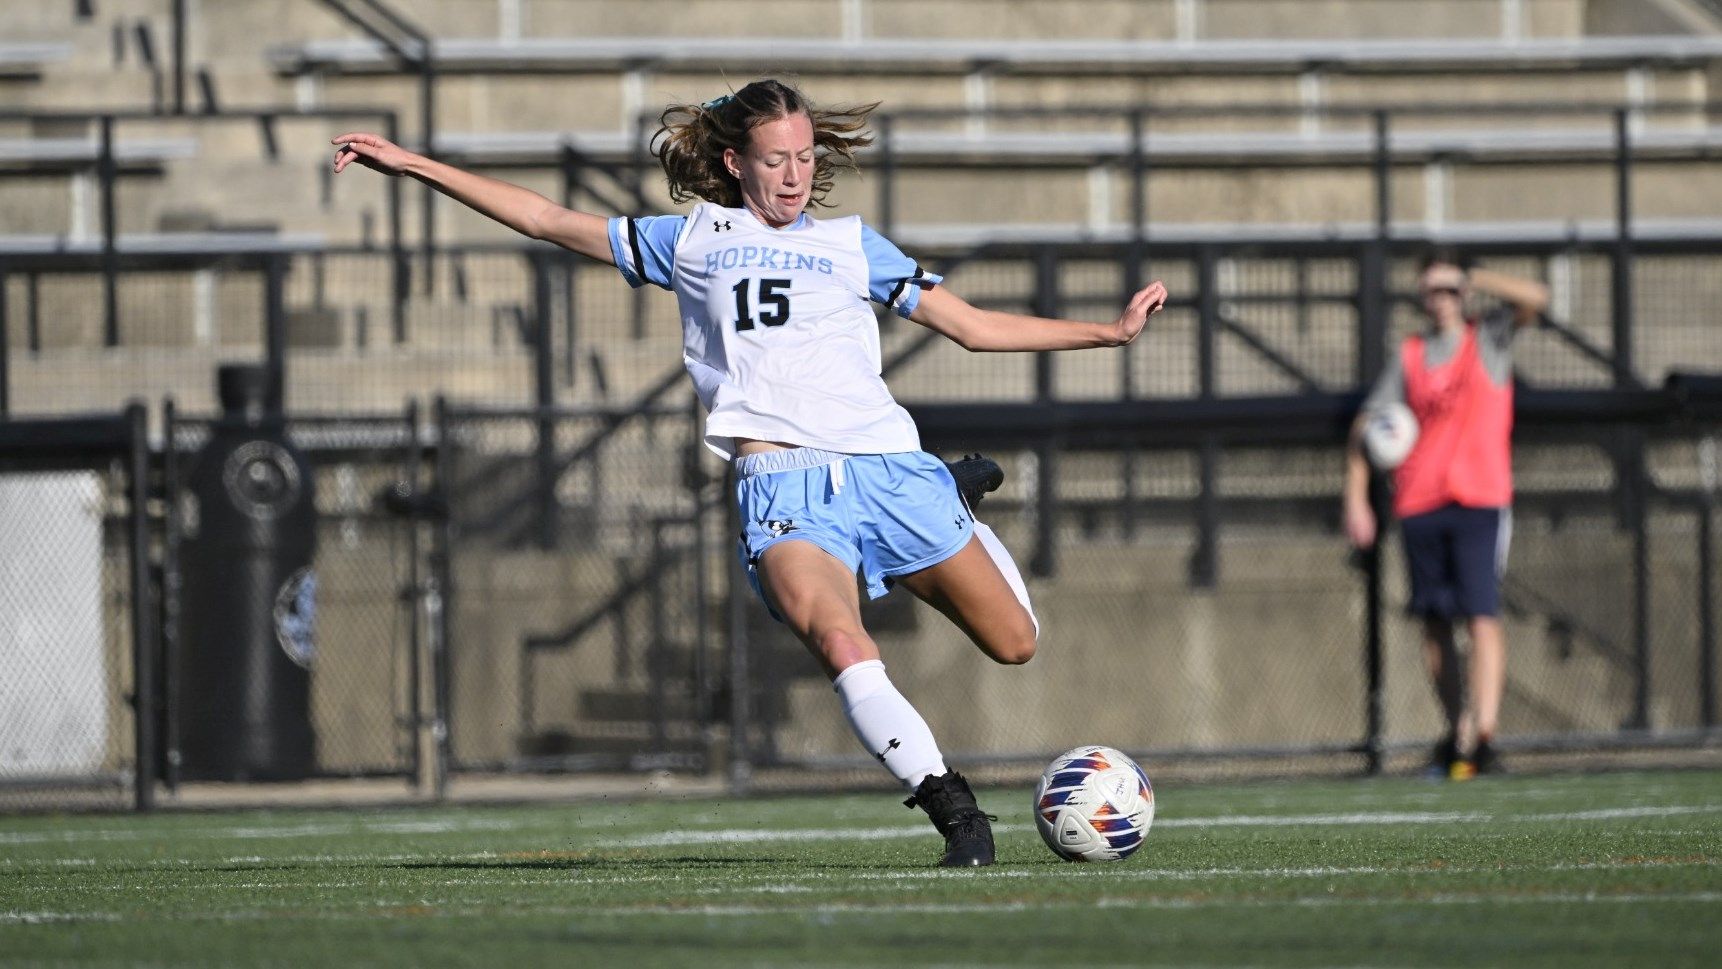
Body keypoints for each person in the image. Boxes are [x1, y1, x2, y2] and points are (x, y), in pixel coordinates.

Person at [332, 78, 1168, 865]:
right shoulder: (691, 239)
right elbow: (546, 218)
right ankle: (956, 812)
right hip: (785, 489)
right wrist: (413, 164)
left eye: (805, 157)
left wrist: (1108, 332)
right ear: (735, 162)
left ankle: (956, 500)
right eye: (777, 159)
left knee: (1016, 643)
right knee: (841, 641)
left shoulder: (851, 245)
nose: (796, 175)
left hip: (892, 472)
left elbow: (974, 328)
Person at [1343, 248, 1548, 781]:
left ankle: (1485, 736)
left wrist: (1474, 276)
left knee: (1481, 616)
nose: (1441, 299)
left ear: (1464, 292)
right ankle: (1457, 734)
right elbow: (1366, 425)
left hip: (1479, 499)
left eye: (1449, 289)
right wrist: (1357, 497)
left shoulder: (1489, 339)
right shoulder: (1411, 354)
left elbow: (1536, 298)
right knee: (1435, 622)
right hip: (1419, 502)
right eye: (1431, 290)